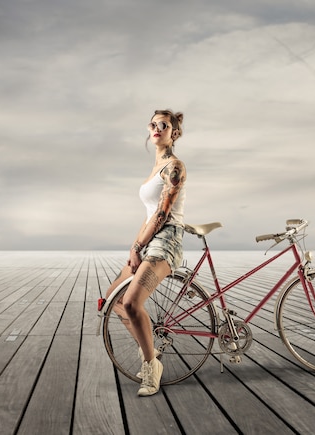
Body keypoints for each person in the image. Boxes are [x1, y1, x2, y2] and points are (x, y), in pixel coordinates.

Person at [104, 109, 187, 397]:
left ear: (174, 133)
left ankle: (151, 368)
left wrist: (140, 246)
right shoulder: (154, 169)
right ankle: (149, 350)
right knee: (111, 301)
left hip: (167, 241)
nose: (156, 129)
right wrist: (134, 246)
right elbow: (149, 214)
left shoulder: (175, 167)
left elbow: (163, 216)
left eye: (163, 125)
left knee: (130, 303)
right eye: (152, 124)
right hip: (149, 238)